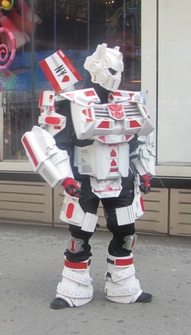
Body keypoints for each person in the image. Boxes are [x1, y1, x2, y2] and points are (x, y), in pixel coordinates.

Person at [22, 43, 156, 309]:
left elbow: (142, 142)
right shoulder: (73, 101)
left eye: (118, 70)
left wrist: (145, 172)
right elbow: (43, 138)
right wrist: (63, 177)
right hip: (85, 180)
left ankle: (123, 285)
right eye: (109, 69)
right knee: (80, 234)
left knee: (126, 233)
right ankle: (73, 288)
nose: (114, 75)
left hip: (121, 180)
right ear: (94, 68)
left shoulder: (130, 101)